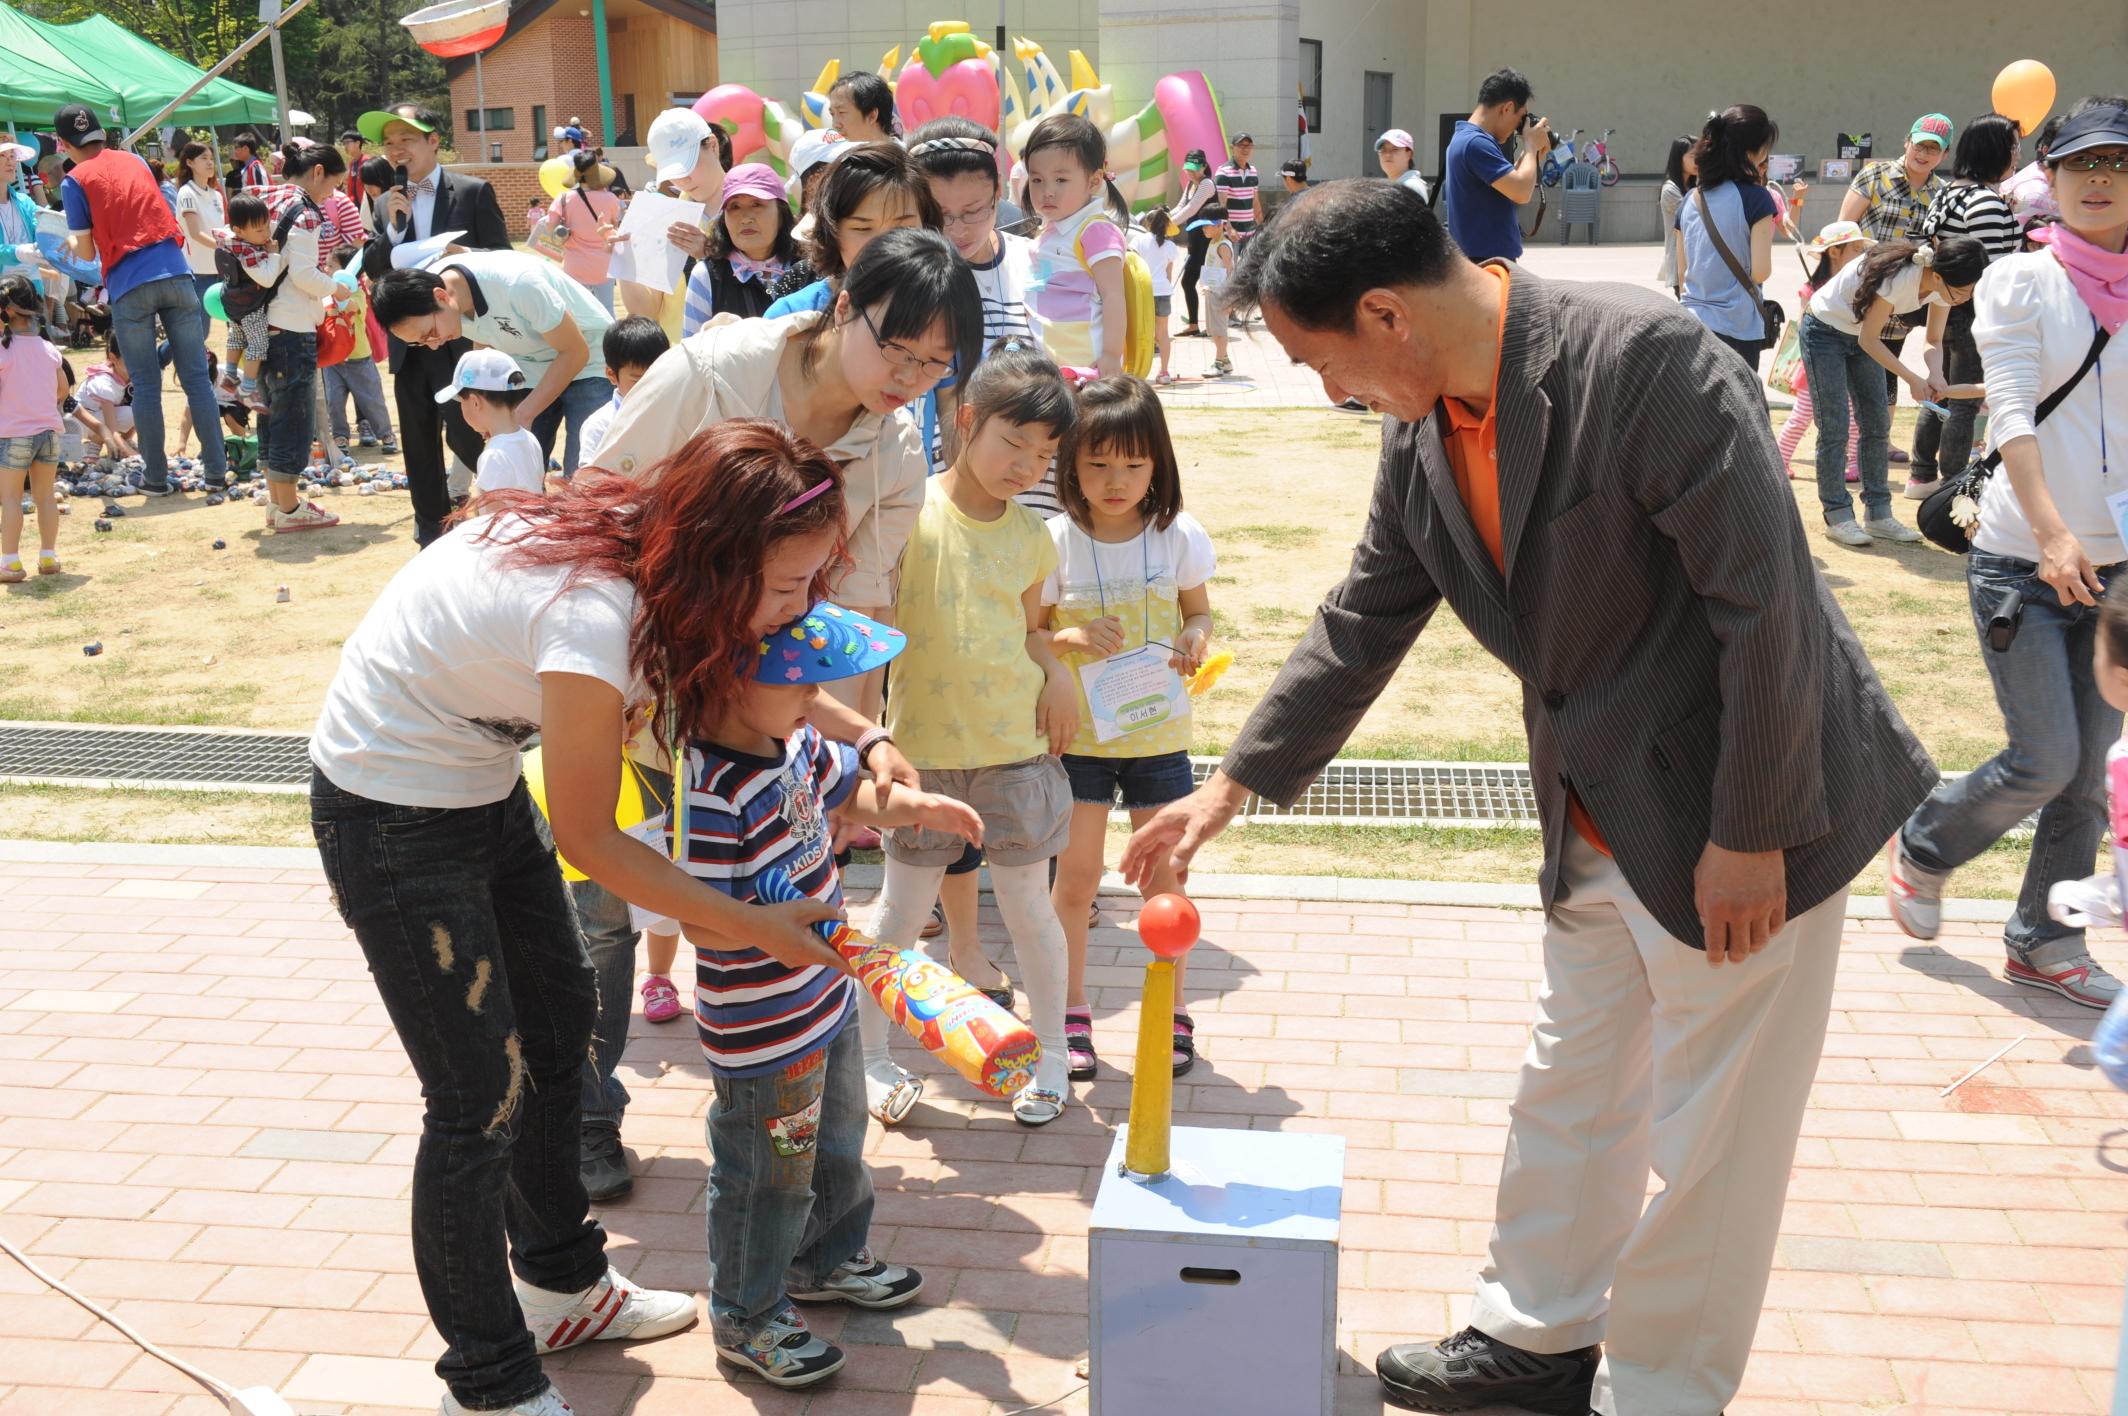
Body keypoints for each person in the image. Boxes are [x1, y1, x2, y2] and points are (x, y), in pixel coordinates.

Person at [1121, 178, 1936, 1416]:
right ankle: (1536, 1337)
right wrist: (1230, 786)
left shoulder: (1644, 359)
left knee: (1714, 1144)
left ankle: (1658, 1391)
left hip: (1742, 815)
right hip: (1592, 807)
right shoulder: (1422, 420)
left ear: (1385, 313)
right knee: (1572, 1083)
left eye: (1317, 360)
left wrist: (1749, 831)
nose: (1327, 393)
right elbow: (1365, 617)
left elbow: (1767, 608)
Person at [308, 421, 879, 1416]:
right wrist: (750, 924)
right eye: (787, 590)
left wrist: (866, 742)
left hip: (473, 782)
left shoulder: (665, 554)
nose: (800, 614)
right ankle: (487, 1381)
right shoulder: (596, 618)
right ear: (717, 562)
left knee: (561, 1019)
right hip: (389, 803)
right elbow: (591, 839)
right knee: (475, 1094)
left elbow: (764, 677)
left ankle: (563, 1287)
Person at [685, 598, 970, 1385]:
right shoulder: (710, 788)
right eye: (800, 685)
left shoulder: (795, 740)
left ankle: (827, 1257)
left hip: (825, 998)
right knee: (766, 1173)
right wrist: (767, 926)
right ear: (727, 681)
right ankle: (747, 1313)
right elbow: (702, 923)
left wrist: (912, 805)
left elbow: (848, 796)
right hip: (763, 1029)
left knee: (839, 1136)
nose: (817, 700)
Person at [1887, 99, 2128, 1009]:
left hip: (2117, 567)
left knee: (2092, 776)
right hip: (2023, 559)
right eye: (2080, 164)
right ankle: (1926, 845)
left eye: (2117, 162)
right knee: (2045, 759)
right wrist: (2054, 533)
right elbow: (2014, 412)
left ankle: (2044, 942)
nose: (2099, 179)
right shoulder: (2018, 283)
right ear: (2051, 178)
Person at [590, 226, 978, 730]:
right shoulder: (708, 374)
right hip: (643, 678)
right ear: (843, 308)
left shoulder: (897, 455)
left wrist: (851, 749)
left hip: (768, 721)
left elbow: (850, 610)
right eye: (897, 350)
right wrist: (617, 683)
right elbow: (601, 511)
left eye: (933, 364)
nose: (910, 378)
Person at [860, 338, 1078, 1127]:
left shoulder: (1031, 536)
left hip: (1016, 755)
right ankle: (871, 1062)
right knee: (895, 917)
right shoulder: (907, 511)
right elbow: (871, 624)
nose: (1026, 464)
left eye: (1043, 453)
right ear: (965, 419)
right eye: (1012, 442)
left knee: (1030, 912)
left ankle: (1049, 1055)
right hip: (921, 759)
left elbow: (1034, 632)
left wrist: (1055, 673)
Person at [1042, 375, 1214, 1078]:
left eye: (1134, 465)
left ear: (1159, 465)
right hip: (1077, 742)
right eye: (1099, 464)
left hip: (1157, 741)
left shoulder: (1177, 536)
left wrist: (1197, 638)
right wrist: (1073, 637)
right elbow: (1030, 635)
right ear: (1071, 463)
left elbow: (1200, 612)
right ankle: (1068, 1012)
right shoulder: (1050, 542)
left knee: (1164, 879)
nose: (1116, 481)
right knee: (1076, 881)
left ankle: (1171, 1012)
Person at [357, 101, 512, 546]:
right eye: (389, 143)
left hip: (461, 338)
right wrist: (392, 233)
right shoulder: (387, 202)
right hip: (410, 344)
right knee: (419, 444)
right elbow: (372, 266)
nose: (397, 150)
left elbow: (502, 260)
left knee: (469, 434)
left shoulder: (471, 192)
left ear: (433, 141)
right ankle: (430, 533)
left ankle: (508, 510)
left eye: (406, 139)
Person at [55, 105, 230, 496]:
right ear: (102, 134)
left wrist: (67, 240)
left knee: (146, 385)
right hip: (176, 271)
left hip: (129, 283)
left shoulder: (74, 180)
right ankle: (216, 473)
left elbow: (84, 253)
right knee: (197, 380)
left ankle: (155, 478)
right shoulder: (135, 160)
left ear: (64, 144)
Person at [1798, 233, 1986, 547]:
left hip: (1861, 335)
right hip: (1825, 330)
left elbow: (1934, 340)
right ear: (1938, 276)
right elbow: (1869, 340)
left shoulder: (1942, 286)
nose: (1965, 299)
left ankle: (1879, 514)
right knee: (1835, 426)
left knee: (1877, 425)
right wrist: (1913, 378)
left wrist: (1935, 374)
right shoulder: (1901, 278)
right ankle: (1838, 515)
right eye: (1963, 292)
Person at [374, 247, 615, 479]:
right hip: (529, 367)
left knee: (584, 475)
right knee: (516, 472)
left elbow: (575, 351)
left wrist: (524, 413)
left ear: (441, 297)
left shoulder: (516, 285)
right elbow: (485, 337)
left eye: (431, 333)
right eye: (421, 342)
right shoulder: (444, 294)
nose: (435, 344)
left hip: (588, 361)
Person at [910, 118, 1038, 471]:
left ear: (998, 193)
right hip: (938, 487)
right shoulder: (906, 281)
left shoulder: (1038, 263)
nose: (957, 230)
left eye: (973, 211)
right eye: (939, 215)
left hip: (1034, 482)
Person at [1908, 112, 2024, 499]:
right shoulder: (1985, 202)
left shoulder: (1948, 191)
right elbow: (1992, 271)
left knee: (1939, 388)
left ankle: (1921, 475)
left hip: (1945, 304)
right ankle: (1953, 485)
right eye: (2012, 147)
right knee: (1964, 400)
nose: (2016, 156)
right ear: (1994, 151)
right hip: (1973, 309)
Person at [251, 143, 347, 533]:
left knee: (272, 412)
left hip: (258, 324)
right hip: (291, 326)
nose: (332, 195)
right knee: (294, 416)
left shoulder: (263, 199)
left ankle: (277, 504)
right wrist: (336, 289)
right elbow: (305, 275)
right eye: (333, 185)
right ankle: (290, 509)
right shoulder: (305, 212)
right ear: (318, 171)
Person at [1840, 112, 1953, 430]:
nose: (1924, 153)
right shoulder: (1874, 176)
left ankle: (1880, 441)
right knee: (1852, 368)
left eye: (1934, 148)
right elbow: (1844, 230)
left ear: (1944, 154)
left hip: (1901, 298)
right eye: (1920, 144)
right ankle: (1855, 444)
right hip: (1859, 288)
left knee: (1888, 368)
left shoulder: (1941, 194)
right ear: (1907, 142)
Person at [1674, 104, 1780, 372]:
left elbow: (1682, 273)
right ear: (1752, 152)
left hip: (1691, 326)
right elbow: (1760, 272)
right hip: (1738, 328)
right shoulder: (1757, 199)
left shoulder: (1689, 200)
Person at [1023, 114, 1128, 377]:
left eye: (1061, 180)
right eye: (1037, 180)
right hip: (1050, 366)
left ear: (1093, 181)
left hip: (1083, 366)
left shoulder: (1095, 231)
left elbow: (1114, 296)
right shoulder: (1051, 230)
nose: (1047, 190)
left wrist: (1112, 356)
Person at [617, 107, 729, 340]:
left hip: (741, 358)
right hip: (681, 359)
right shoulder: (667, 218)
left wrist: (709, 254)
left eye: (688, 165)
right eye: (674, 171)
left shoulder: (754, 206)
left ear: (713, 145)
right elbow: (646, 313)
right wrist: (624, 260)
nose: (683, 180)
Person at [1775, 221, 1869, 480]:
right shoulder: (1811, 289)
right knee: (1803, 415)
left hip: (1849, 359)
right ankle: (1779, 459)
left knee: (1851, 416)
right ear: (1834, 252)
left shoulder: (1859, 286)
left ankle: (1853, 465)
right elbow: (1804, 326)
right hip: (1815, 362)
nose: (1861, 255)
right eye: (1856, 249)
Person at [1442, 68, 1550, 264]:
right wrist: (1531, 145)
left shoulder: (1467, 138)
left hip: (1480, 260)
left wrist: (1530, 153)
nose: (1519, 127)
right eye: (1521, 117)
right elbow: (1521, 191)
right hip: (1486, 264)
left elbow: (1511, 183)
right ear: (1507, 108)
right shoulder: (1475, 143)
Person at [0, 274, 65, 582]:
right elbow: (62, 391)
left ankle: (10, 563)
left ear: (7, 311)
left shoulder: (3, 351)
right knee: (46, 496)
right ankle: (49, 557)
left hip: (13, 435)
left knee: (11, 499)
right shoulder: (49, 349)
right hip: (49, 432)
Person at [682, 162, 797, 335]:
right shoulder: (707, 276)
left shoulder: (809, 268)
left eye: (757, 204)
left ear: (781, 213)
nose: (745, 218)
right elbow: (692, 354)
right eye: (734, 207)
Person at [439, 347, 545, 502]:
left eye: (462, 401)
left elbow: (493, 515)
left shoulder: (493, 456)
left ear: (475, 403)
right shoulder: (530, 438)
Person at [323, 248, 396, 454]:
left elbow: (352, 307)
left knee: (371, 400)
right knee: (334, 401)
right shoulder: (324, 294)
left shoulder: (358, 294)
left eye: (331, 266)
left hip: (358, 357)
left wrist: (339, 292)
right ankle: (340, 436)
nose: (325, 269)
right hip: (332, 359)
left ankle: (385, 434)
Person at [213, 192, 280, 410]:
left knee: (237, 336)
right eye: (259, 230)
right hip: (249, 305)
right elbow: (268, 279)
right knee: (258, 343)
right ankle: (248, 389)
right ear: (239, 231)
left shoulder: (228, 240)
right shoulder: (249, 253)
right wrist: (273, 254)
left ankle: (231, 375)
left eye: (267, 226)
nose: (266, 233)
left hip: (231, 303)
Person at [577, 314, 667, 468]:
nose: (650, 386)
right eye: (638, 380)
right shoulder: (600, 426)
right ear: (612, 375)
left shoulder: (675, 411)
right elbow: (590, 481)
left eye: (656, 376)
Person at [545, 151, 623, 313]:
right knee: (607, 309)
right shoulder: (611, 199)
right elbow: (616, 225)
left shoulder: (563, 199)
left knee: (578, 312)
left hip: (575, 265)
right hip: (604, 265)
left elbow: (550, 230)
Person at [1131, 208, 1185, 383]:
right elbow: (1169, 274)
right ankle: (1164, 372)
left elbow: (1134, 266)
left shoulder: (1139, 240)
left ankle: (1137, 372)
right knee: (1162, 334)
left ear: (1148, 223)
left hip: (1144, 291)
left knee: (1141, 332)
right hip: (1163, 292)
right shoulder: (1170, 246)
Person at [172, 143, 225, 310]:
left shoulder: (216, 194)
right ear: (189, 163)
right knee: (199, 328)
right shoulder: (187, 192)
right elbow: (195, 233)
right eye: (203, 158)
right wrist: (224, 248)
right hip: (198, 270)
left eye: (211, 159)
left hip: (220, 268)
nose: (210, 163)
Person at [1173, 150, 1215, 336]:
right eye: (1187, 169)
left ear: (1204, 167)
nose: (1190, 173)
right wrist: (1163, 217)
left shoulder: (1206, 184)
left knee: (1208, 285)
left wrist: (1167, 224)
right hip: (1194, 240)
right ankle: (1193, 325)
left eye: (1194, 169)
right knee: (1188, 282)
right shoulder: (1191, 183)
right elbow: (1180, 206)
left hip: (1207, 242)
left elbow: (1192, 209)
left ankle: (1212, 326)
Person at [1192, 204, 1236, 377]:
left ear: (1219, 224)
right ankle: (1225, 361)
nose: (1204, 229)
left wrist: (1231, 298)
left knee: (1219, 330)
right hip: (1212, 292)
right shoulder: (1213, 242)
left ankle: (1217, 364)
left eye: (1207, 225)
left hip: (1221, 294)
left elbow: (1231, 271)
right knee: (1213, 329)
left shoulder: (1223, 245)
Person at [1655, 134, 1698, 292]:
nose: (1698, 161)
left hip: (1694, 261)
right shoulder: (1670, 189)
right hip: (1680, 263)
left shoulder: (1692, 186)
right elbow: (1695, 216)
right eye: (1693, 156)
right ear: (1679, 158)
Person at [1211, 133, 1261, 243]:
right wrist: (1229, 229)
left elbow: (1255, 202)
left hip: (1251, 233)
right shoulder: (1223, 171)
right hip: (1230, 235)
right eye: (1241, 145)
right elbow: (1221, 204)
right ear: (1232, 148)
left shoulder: (1253, 171)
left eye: (1249, 146)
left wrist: (1262, 226)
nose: (1245, 149)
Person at [826, 71, 897, 144]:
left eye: (841, 112)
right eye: (832, 114)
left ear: (871, 115)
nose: (835, 124)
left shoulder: (905, 154)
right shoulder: (837, 153)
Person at [1374, 128, 1428, 200]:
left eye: (1395, 149)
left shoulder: (1410, 187)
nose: (1387, 155)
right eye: (1383, 150)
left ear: (1409, 154)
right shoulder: (1396, 185)